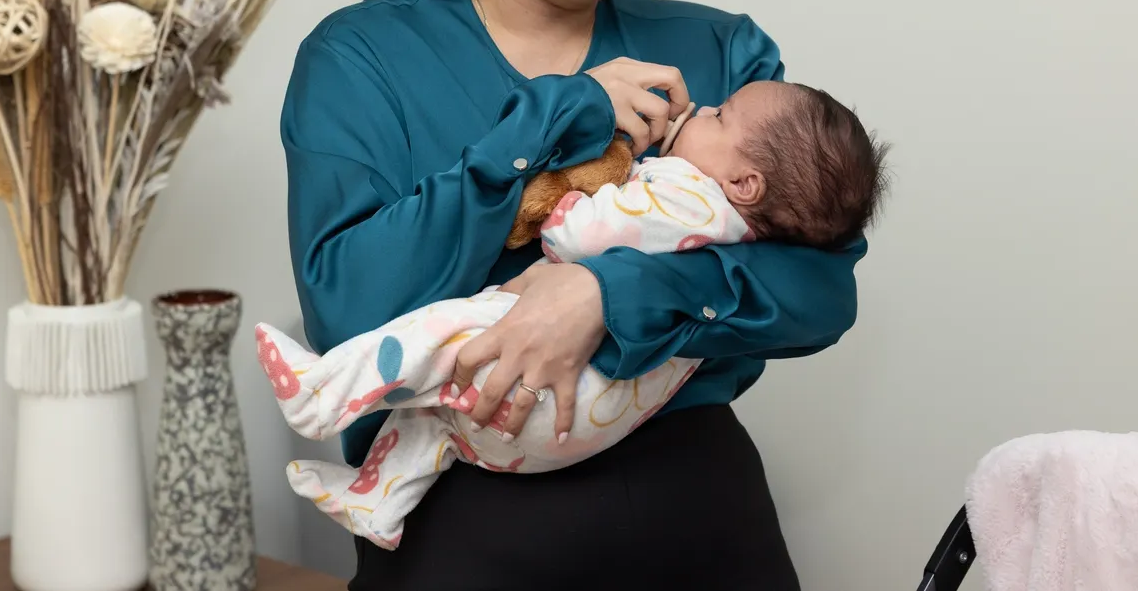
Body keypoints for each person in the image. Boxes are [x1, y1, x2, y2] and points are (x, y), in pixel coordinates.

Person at [280, 0, 872, 590]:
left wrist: (608, 294)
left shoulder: (719, 53)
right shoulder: (360, 60)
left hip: (703, 521)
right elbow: (351, 314)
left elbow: (822, 290)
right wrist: (557, 117)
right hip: (467, 536)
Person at [260, 79, 888, 551]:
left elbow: (585, 236)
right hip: (568, 430)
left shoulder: (689, 193)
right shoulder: (741, 223)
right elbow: (344, 297)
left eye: (719, 116)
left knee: (443, 336)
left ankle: (325, 393)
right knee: (437, 420)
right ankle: (382, 499)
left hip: (550, 407)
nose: (701, 109)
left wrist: (594, 274)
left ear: (746, 183)